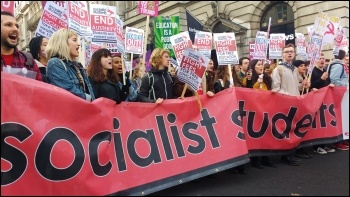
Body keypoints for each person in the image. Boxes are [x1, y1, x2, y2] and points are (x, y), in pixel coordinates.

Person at [271, 43, 302, 166]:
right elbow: (275, 88)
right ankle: (286, 156)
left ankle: (291, 153)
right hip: (285, 104)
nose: (290, 53)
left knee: (293, 129)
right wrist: (289, 97)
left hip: (295, 103)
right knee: (286, 130)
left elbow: (294, 87)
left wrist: (302, 85)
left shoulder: (294, 69)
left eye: (292, 51)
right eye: (287, 51)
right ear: (282, 54)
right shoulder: (278, 69)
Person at [46, 28, 95, 101]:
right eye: (74, 40)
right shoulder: (55, 63)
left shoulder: (78, 66)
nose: (79, 44)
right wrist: (90, 100)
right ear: (63, 43)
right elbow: (68, 90)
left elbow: (88, 90)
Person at [1, 11, 42, 81]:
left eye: (17, 26)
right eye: (8, 25)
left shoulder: (28, 60)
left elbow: (39, 89)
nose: (15, 29)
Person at [309, 53, 336, 154]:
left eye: (323, 58)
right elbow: (311, 85)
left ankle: (324, 144)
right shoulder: (312, 71)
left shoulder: (325, 70)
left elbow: (326, 84)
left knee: (324, 123)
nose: (322, 60)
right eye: (320, 58)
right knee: (318, 123)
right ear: (315, 60)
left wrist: (330, 85)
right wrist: (321, 79)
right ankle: (317, 146)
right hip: (316, 101)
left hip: (325, 101)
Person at [328, 49, 349, 150]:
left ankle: (341, 138)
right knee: (339, 117)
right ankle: (337, 141)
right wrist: (346, 85)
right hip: (338, 94)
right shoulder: (338, 65)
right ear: (343, 56)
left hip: (342, 94)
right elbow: (334, 79)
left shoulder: (340, 65)